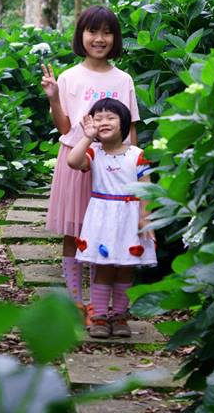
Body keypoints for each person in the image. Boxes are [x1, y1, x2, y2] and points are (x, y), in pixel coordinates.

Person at [41, 6, 139, 318]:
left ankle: (98, 304)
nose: (99, 39)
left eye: (107, 32)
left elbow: (131, 129)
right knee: (75, 232)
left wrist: (133, 169)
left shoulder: (123, 79)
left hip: (111, 166)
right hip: (76, 158)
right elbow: (64, 128)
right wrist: (54, 97)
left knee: (104, 230)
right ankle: (76, 301)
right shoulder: (69, 77)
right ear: (80, 35)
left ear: (115, 38)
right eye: (92, 31)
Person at [67, 98, 156, 338]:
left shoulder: (137, 155)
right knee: (104, 267)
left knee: (126, 268)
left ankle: (119, 316)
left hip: (130, 218)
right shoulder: (93, 152)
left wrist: (146, 216)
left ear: (124, 122)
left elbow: (146, 187)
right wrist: (87, 137)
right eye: (98, 118)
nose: (103, 122)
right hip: (102, 218)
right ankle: (99, 316)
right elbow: (73, 162)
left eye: (110, 117)